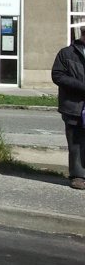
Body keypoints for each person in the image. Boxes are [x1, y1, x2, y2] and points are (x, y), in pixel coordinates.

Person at [50, 31, 85, 190]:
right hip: (74, 106)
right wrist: (81, 87)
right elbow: (57, 75)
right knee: (75, 142)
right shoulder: (67, 53)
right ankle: (78, 175)